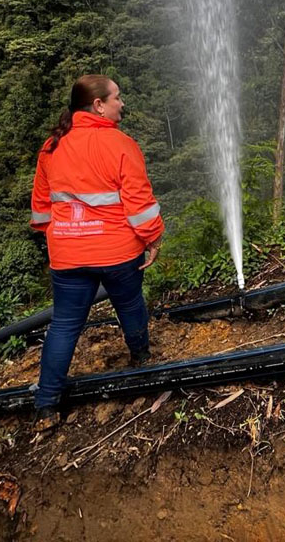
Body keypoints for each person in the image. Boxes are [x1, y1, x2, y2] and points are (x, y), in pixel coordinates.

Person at [29, 74, 164, 426]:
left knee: (64, 325)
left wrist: (63, 238)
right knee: (130, 305)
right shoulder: (121, 144)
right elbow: (139, 203)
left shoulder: (51, 147)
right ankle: (141, 358)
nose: (123, 103)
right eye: (117, 97)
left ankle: (46, 404)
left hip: (68, 255)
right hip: (118, 252)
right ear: (99, 105)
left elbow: (42, 208)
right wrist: (152, 238)